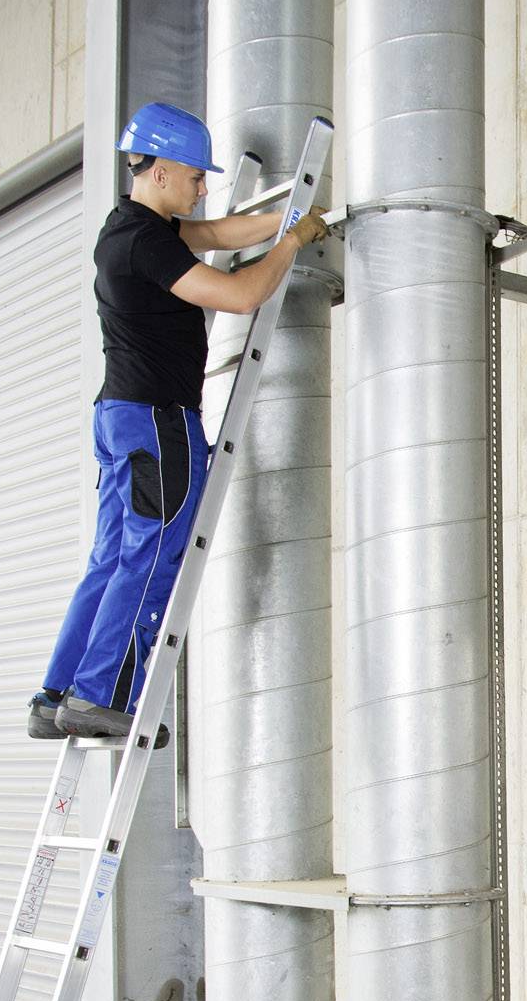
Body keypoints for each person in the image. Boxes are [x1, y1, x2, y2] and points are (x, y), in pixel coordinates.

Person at [32, 100, 329, 741]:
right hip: (157, 421)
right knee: (154, 553)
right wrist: (294, 246)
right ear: (161, 169)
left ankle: (57, 694)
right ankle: (102, 696)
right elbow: (243, 293)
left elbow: (222, 235)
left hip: (120, 417)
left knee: (112, 556)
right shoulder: (145, 242)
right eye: (196, 176)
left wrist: (293, 220)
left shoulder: (130, 229)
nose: (203, 189)